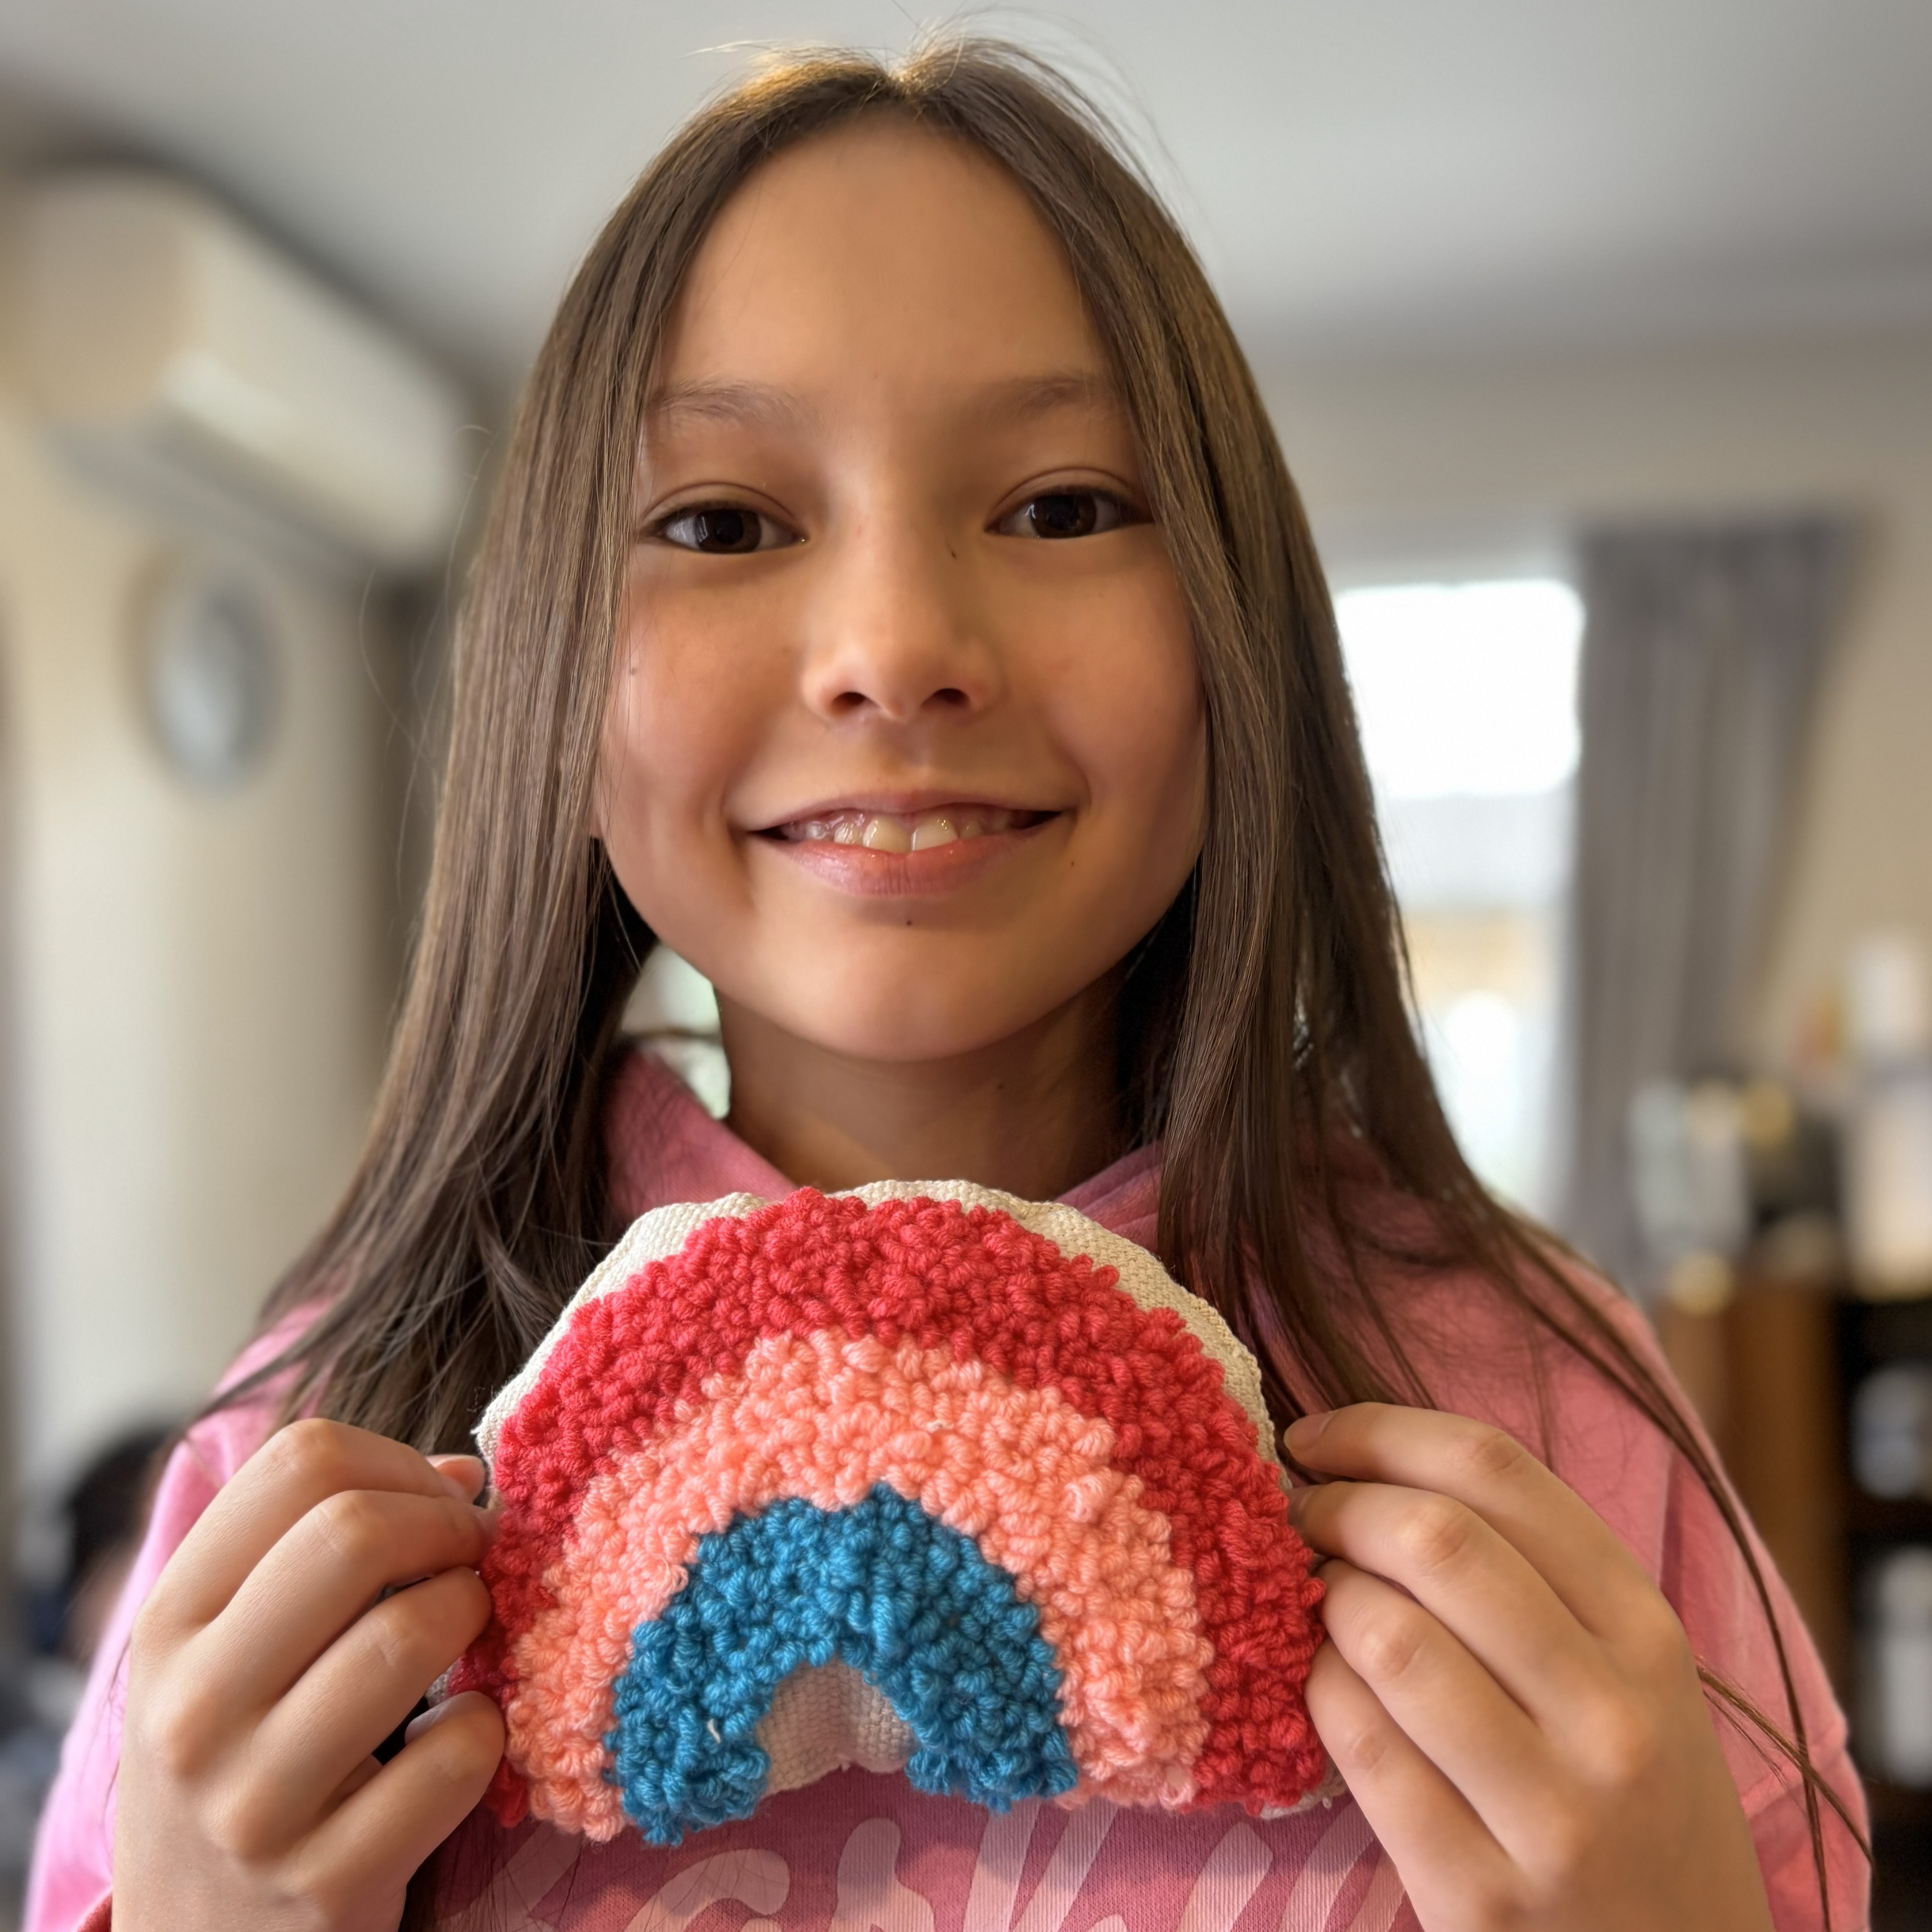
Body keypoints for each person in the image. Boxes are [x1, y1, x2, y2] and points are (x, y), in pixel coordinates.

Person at [26, 39, 1867, 1932]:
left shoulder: (1535, 1412)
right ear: (552, 697)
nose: (895, 647)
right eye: (723, 524)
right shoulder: (311, 1468)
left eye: (1060, 507)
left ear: (1239, 644)